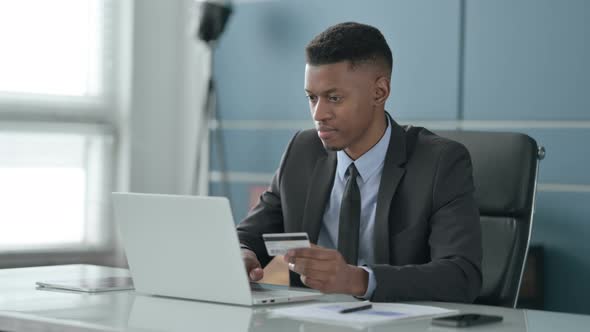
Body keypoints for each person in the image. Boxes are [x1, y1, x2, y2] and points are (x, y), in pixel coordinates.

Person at [237, 22, 482, 303]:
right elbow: (250, 234)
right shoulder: (303, 151)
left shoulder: (440, 163)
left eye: (334, 98)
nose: (319, 113)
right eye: (312, 98)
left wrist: (356, 279)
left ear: (379, 92)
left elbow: (461, 276)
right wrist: (242, 252)